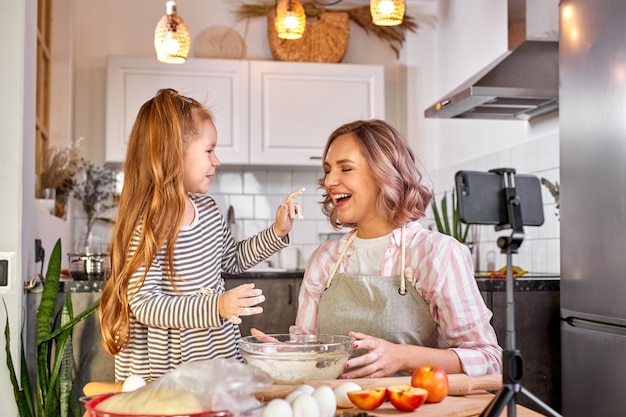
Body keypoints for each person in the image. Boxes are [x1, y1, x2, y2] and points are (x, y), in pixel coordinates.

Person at [255, 119, 502, 379]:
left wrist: (403, 357)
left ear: (382, 173)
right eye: (328, 170)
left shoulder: (437, 255)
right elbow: (309, 353)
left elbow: (488, 358)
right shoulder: (325, 259)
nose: (329, 181)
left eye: (345, 169)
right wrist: (285, 354)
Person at [99, 88, 304, 382]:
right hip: (165, 369)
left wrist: (277, 231)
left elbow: (232, 259)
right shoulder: (148, 224)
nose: (216, 160)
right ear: (172, 154)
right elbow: (144, 305)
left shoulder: (207, 208)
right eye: (209, 150)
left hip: (211, 353)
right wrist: (217, 306)